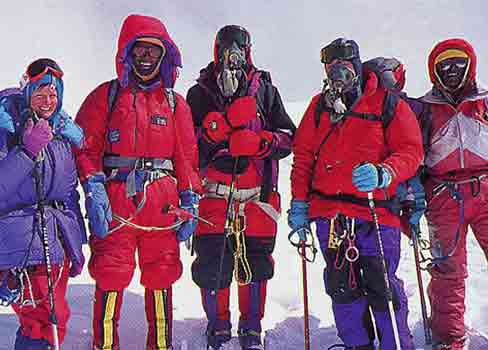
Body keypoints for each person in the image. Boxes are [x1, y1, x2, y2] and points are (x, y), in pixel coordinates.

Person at [74, 14, 201, 350]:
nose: (146, 58)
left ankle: (160, 345)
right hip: (117, 202)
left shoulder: (176, 105)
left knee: (162, 274)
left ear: (164, 57)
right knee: (110, 274)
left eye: (153, 52)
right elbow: (85, 148)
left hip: (163, 204)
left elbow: (186, 158)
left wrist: (190, 200)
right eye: (140, 50)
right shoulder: (106, 96)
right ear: (127, 53)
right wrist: (94, 187)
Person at [288, 38, 423, 349]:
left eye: (344, 64)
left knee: (382, 287)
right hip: (329, 216)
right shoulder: (318, 107)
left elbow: (411, 150)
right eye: (331, 65)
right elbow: (304, 157)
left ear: (358, 65)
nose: (338, 71)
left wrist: (384, 172)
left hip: (376, 211)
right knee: (341, 288)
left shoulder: (387, 103)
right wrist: (299, 203)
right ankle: (357, 345)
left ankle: (395, 345)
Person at [186, 25, 295, 350]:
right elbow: (186, 146)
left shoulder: (265, 90)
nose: (232, 54)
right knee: (212, 265)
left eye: (239, 47)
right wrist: (210, 137)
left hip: (256, 196)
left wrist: (262, 143)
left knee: (256, 264)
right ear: (216, 50)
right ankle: (217, 326)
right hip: (213, 195)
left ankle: (251, 328)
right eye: (225, 47)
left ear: (248, 51)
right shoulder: (200, 93)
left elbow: (289, 138)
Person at [0, 58, 86, 349]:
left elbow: (68, 194)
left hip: (55, 239)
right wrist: (26, 150)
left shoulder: (61, 136)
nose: (48, 101)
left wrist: (77, 243)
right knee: (43, 319)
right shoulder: (7, 131)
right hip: (19, 241)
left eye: (53, 94)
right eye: (40, 94)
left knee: (53, 317)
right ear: (27, 94)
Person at [415, 38, 488, 350]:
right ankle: (450, 338)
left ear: (470, 64)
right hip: (445, 195)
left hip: (486, 189)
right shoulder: (423, 109)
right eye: (444, 64)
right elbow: (413, 154)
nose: (452, 70)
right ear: (434, 70)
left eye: (459, 62)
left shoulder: (485, 102)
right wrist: (412, 195)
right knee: (448, 271)